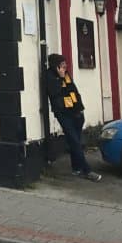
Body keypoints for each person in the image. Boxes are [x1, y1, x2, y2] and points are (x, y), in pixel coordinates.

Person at [46, 53, 101, 181]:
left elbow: (73, 90)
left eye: (65, 65)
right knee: (76, 142)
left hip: (75, 112)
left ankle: (76, 168)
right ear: (56, 66)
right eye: (62, 65)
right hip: (63, 113)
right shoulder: (50, 76)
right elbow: (54, 93)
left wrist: (80, 109)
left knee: (74, 141)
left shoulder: (66, 74)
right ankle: (87, 171)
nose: (65, 67)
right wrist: (60, 78)